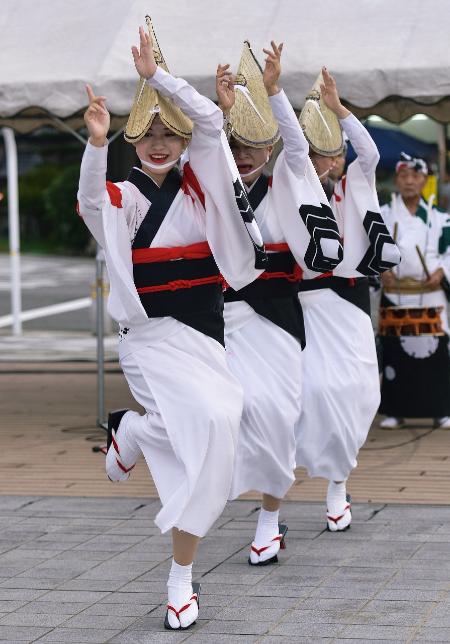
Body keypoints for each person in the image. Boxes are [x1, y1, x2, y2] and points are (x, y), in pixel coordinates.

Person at [78, 19, 266, 630]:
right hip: (151, 340)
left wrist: (157, 77)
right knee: (207, 425)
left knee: (222, 430)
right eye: (147, 134)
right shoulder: (125, 196)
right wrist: (97, 144)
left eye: (169, 132)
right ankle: (180, 578)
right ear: (133, 140)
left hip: (206, 337)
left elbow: (214, 123)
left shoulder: (201, 183)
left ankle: (132, 433)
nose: (159, 142)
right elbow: (88, 204)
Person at [216, 42, 343, 563]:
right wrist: (222, 113)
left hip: (278, 319)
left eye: (253, 145)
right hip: (220, 319)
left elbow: (297, 146)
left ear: (267, 150)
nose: (243, 153)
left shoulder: (289, 183)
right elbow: (210, 151)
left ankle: (268, 520)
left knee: (275, 414)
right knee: (222, 414)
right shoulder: (216, 187)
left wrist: (273, 92)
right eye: (235, 143)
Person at [295, 68, 400, 531]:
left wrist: (339, 110)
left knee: (362, 391)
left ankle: (340, 477)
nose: (322, 162)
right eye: (313, 153)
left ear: (338, 158)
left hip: (352, 300)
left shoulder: (353, 185)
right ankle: (316, 478)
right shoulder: (287, 189)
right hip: (307, 303)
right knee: (315, 391)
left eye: (329, 153)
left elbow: (371, 151)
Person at [379, 153, 450, 429]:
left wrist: (441, 271)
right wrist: (380, 269)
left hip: (430, 290)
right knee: (396, 351)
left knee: (436, 352)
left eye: (415, 176)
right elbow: (371, 248)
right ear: (397, 180)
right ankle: (396, 411)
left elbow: (448, 251)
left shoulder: (439, 217)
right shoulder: (384, 214)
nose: (409, 181)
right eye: (404, 176)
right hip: (395, 291)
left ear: (424, 181)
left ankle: (441, 408)